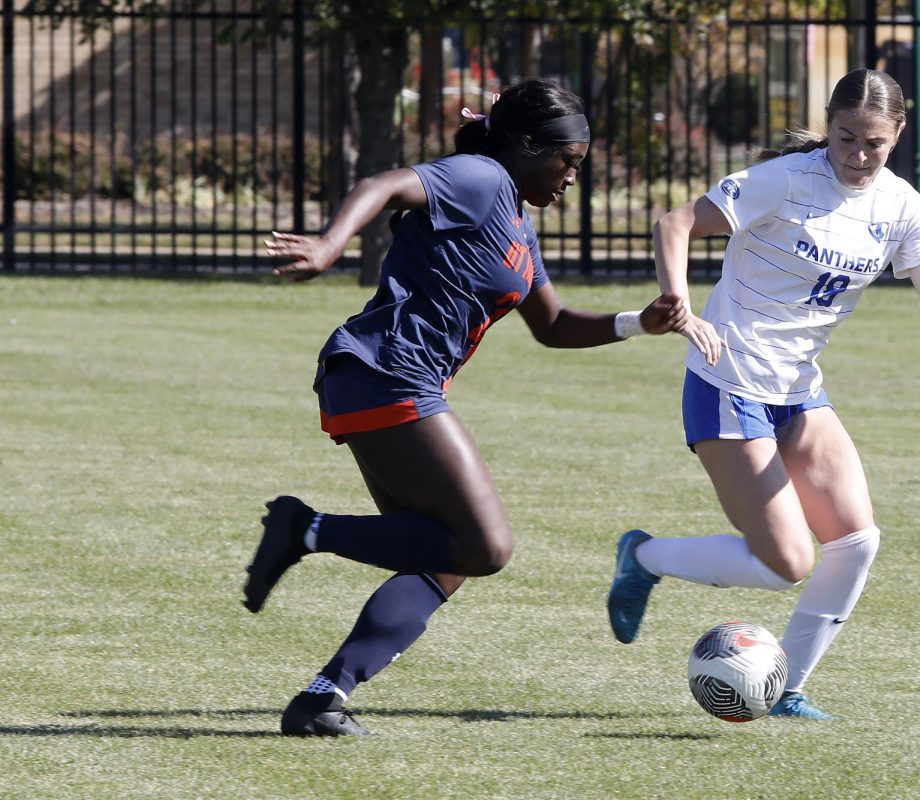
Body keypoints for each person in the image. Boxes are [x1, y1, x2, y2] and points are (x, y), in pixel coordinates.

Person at [242, 78, 687, 737]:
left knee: (444, 558)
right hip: (386, 369)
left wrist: (636, 323)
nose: (571, 178)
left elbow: (554, 323)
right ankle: (305, 530)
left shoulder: (516, 222)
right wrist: (332, 244)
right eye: (567, 162)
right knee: (487, 545)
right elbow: (385, 184)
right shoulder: (480, 177)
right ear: (530, 147)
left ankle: (321, 699)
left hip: (383, 379)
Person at [605, 68, 920, 719]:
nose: (857, 155)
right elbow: (674, 223)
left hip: (798, 394)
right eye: (846, 138)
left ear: (898, 134)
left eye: (873, 143)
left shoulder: (901, 206)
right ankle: (643, 557)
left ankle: (787, 688)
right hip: (727, 382)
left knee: (856, 541)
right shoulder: (787, 179)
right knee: (784, 561)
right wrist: (678, 301)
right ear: (829, 126)